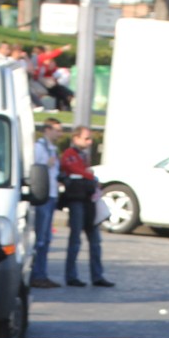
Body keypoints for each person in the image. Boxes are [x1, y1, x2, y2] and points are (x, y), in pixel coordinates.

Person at [59, 125, 114, 288]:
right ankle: (72, 275)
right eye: (86, 138)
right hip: (77, 199)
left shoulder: (83, 155)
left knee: (94, 240)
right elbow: (72, 168)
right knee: (76, 239)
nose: (89, 142)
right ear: (76, 138)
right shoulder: (70, 154)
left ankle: (97, 275)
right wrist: (89, 175)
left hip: (87, 199)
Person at [29, 118, 62, 289]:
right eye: (57, 129)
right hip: (43, 196)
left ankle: (41, 273)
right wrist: (46, 164)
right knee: (40, 238)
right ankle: (36, 274)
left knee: (46, 238)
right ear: (47, 129)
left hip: (51, 195)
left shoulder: (51, 148)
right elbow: (34, 169)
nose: (60, 133)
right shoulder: (39, 148)